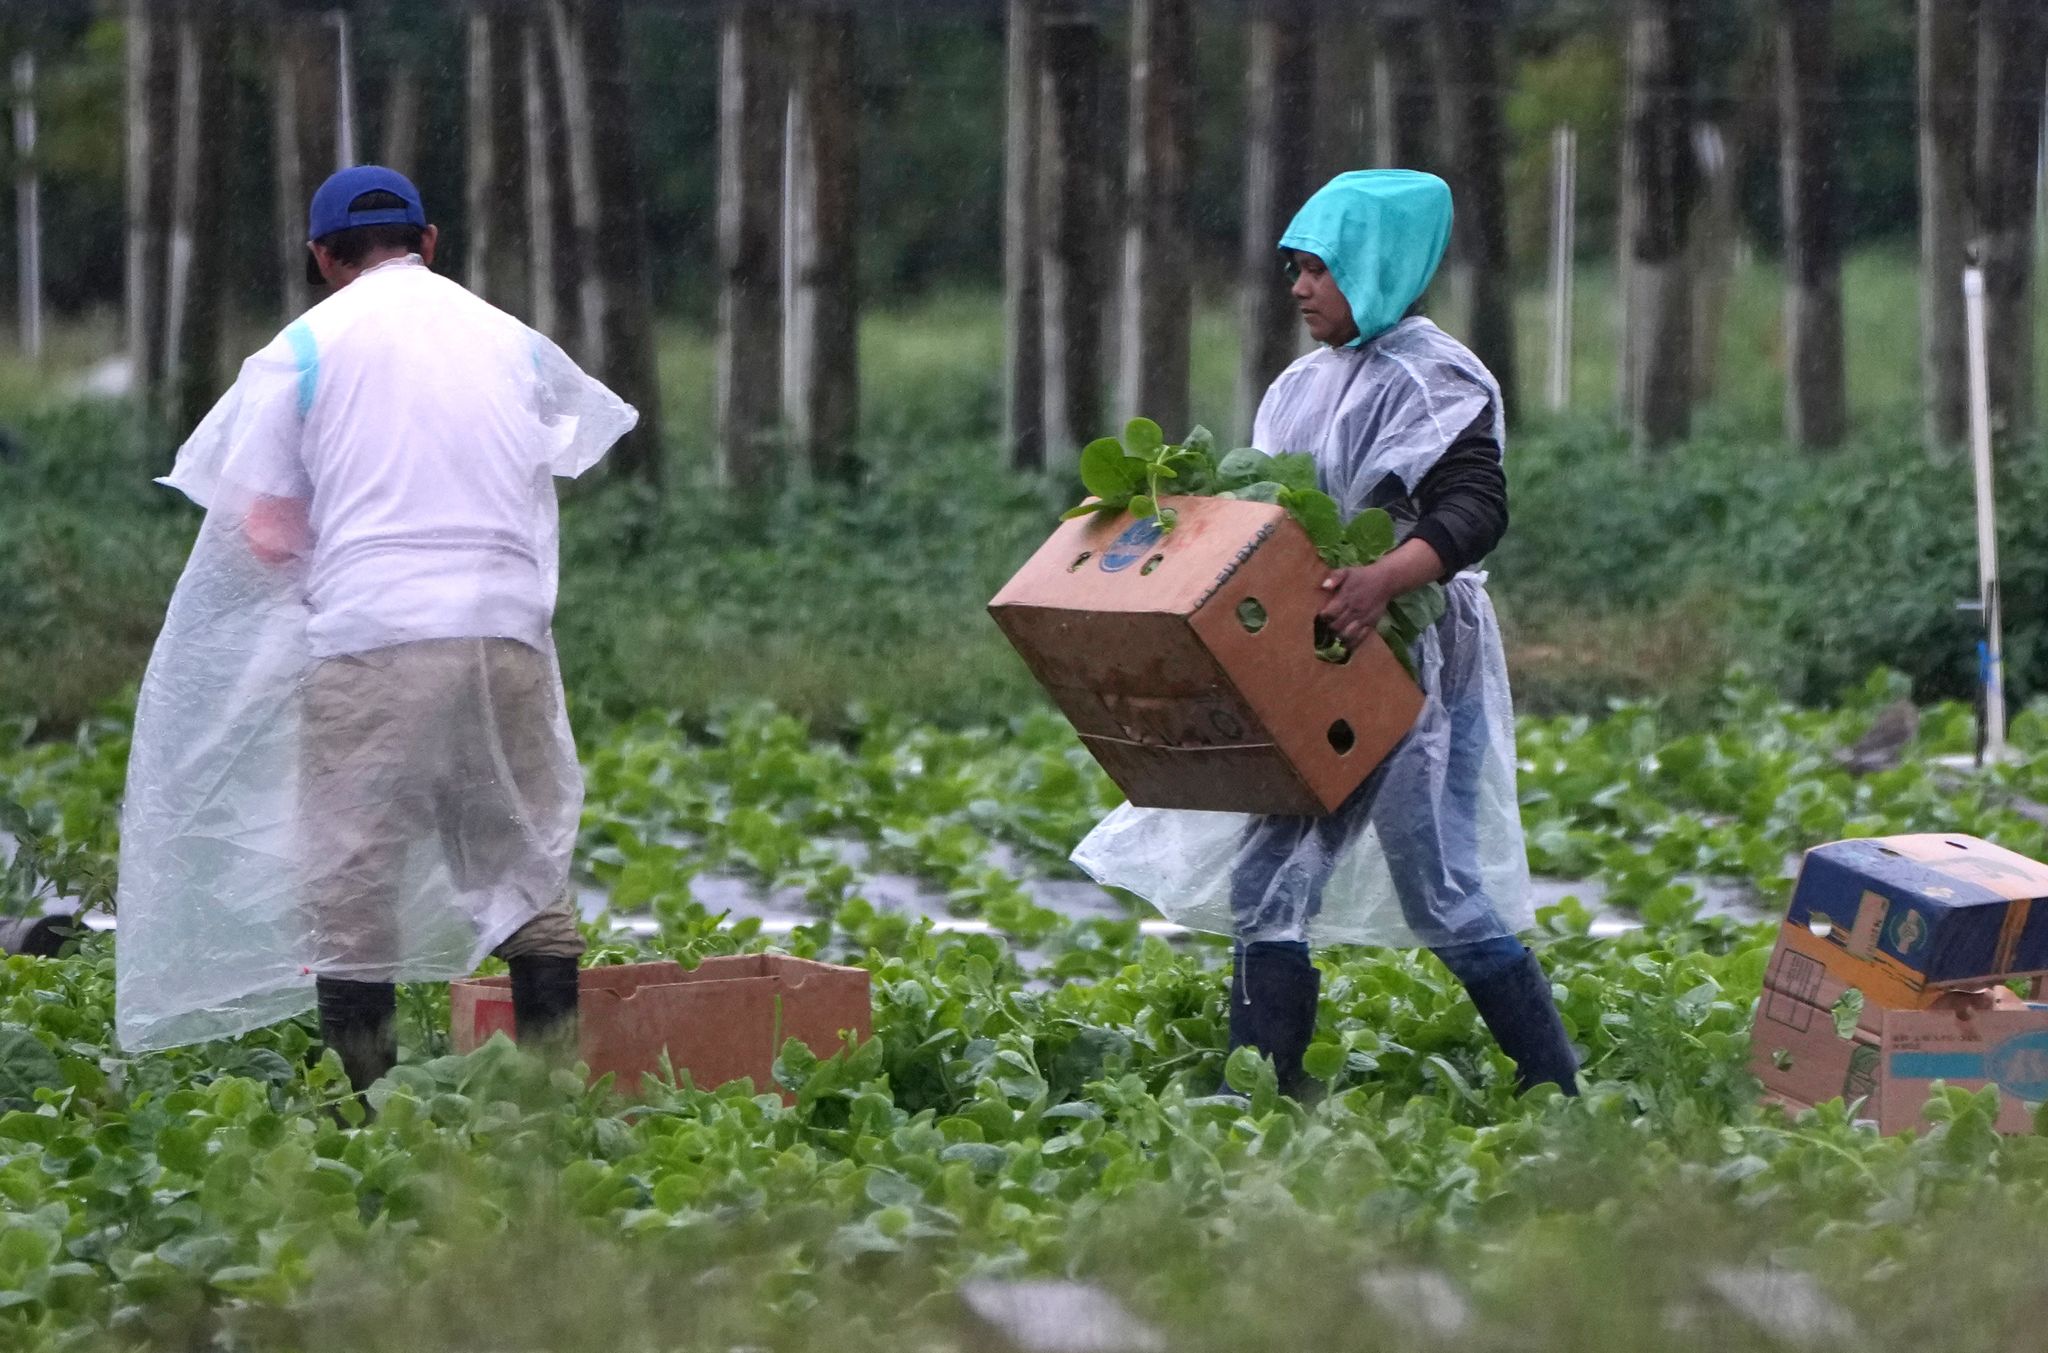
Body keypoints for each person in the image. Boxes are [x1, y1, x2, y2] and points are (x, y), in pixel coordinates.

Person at [114, 166, 638, 1093]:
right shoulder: (508, 339)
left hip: (377, 635)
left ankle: (365, 1107)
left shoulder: (308, 346)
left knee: (353, 876)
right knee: (519, 852)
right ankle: (557, 1097)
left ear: (323, 258)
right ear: (429, 242)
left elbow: (267, 526)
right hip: (507, 634)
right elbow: (552, 452)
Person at [1073, 170, 1578, 1100]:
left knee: (1438, 888)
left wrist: (1385, 577)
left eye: (1318, 269)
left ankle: (1553, 1082)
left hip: (1410, 661)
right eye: (1296, 268)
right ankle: (1263, 1088)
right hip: (1314, 660)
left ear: (1377, 268)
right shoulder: (1302, 385)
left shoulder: (1439, 378)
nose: (1298, 288)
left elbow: (1474, 506)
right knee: (1272, 875)